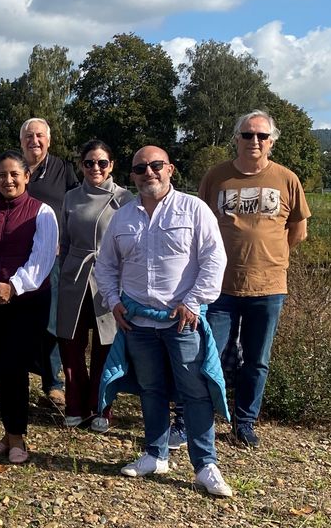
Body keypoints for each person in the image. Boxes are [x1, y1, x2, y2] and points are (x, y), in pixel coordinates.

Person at [96, 146, 232, 497]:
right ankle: (155, 454)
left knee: (194, 392)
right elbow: (106, 265)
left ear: (170, 168)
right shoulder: (122, 217)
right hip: (138, 321)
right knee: (150, 389)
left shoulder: (194, 209)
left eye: (156, 165)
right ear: (132, 175)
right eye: (140, 168)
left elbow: (214, 259)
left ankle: (205, 464)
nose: (149, 173)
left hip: (182, 320)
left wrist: (192, 301)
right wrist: (113, 302)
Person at [199, 110, 310, 449]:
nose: (255, 141)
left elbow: (298, 232)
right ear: (236, 138)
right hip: (219, 286)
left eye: (262, 136)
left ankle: (244, 423)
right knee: (207, 353)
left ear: (272, 141)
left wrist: (267, 256)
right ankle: (196, 419)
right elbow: (200, 223)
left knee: (257, 360)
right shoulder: (216, 177)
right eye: (248, 135)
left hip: (269, 287)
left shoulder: (287, 179)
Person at [0, 151, 58, 464]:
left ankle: (17, 436)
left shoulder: (42, 212)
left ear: (26, 176)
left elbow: (41, 260)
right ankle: (9, 433)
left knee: (15, 367)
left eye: (14, 174)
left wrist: (12, 286)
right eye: (2, 175)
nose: (8, 180)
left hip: (27, 302)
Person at [55, 140, 133, 432]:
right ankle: (75, 404)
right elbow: (65, 241)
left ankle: (102, 406)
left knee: (105, 347)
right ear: (81, 166)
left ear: (111, 165)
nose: (95, 168)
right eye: (89, 163)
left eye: (102, 163)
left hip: (108, 280)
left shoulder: (124, 199)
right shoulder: (71, 197)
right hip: (75, 277)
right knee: (72, 346)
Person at [20, 117, 78, 408]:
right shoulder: (15, 170)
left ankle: (53, 382)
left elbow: (76, 206)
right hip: (17, 257)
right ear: (21, 142)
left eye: (40, 136)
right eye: (29, 136)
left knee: (51, 321)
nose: (35, 141)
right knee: (18, 319)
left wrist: (63, 239)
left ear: (49, 140)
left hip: (52, 257)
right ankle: (13, 375)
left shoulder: (62, 169)